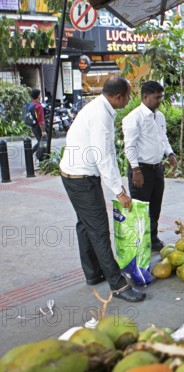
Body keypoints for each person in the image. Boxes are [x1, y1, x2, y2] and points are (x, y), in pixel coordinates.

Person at [60, 76, 146, 303]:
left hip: (74, 174)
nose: (129, 99)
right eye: (128, 96)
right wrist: (119, 191)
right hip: (82, 178)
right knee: (98, 230)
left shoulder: (99, 108)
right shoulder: (100, 114)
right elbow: (103, 156)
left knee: (85, 225)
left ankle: (93, 273)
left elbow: (106, 152)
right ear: (118, 96)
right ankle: (118, 286)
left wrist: (117, 182)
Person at [122, 80, 177, 252]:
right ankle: (139, 243)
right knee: (140, 209)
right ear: (145, 97)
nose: (160, 101)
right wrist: (136, 170)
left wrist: (170, 154)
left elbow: (163, 138)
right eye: (156, 97)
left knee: (155, 207)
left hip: (157, 169)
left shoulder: (159, 116)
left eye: (161, 97)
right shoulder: (133, 118)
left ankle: (152, 239)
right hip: (141, 170)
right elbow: (129, 146)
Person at [30, 88, 46, 158]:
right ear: (38, 96)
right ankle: (39, 156)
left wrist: (31, 130)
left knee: (41, 141)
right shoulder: (38, 106)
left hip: (33, 127)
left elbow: (31, 118)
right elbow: (40, 120)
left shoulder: (31, 105)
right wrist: (43, 131)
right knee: (43, 141)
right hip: (38, 127)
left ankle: (38, 155)